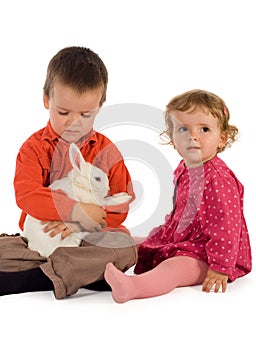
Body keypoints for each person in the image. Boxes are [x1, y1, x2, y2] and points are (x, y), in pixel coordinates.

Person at [0, 46, 137, 299]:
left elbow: (121, 203)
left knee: (126, 246)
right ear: (46, 100)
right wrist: (73, 210)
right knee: (4, 249)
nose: (75, 122)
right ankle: (83, 273)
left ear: (99, 107)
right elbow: (27, 194)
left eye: (86, 114)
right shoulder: (34, 148)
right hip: (37, 242)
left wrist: (80, 222)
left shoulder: (107, 151)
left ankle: (39, 277)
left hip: (86, 240)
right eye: (64, 112)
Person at [104, 89, 252, 303]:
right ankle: (95, 253)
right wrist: (164, 233)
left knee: (174, 267)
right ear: (173, 139)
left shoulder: (217, 179)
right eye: (183, 129)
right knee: (139, 243)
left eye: (204, 129)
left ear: (222, 138)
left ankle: (132, 287)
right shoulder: (185, 168)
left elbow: (227, 226)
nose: (193, 136)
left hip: (209, 253)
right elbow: (180, 212)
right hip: (186, 239)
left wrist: (221, 267)